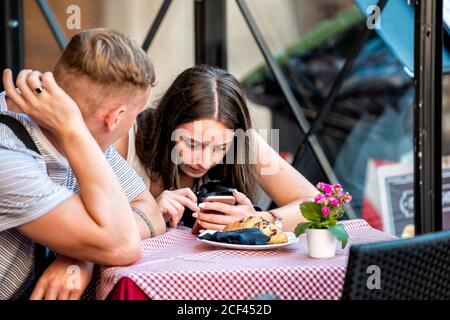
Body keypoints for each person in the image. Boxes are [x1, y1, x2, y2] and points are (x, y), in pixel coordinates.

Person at [0, 28, 167, 300]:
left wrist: (80, 255)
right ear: (116, 117)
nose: (133, 125)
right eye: (135, 116)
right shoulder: (8, 156)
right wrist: (73, 129)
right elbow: (124, 244)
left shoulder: (84, 141)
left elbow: (147, 207)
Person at [114, 65, 319, 233]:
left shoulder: (241, 141)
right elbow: (91, 224)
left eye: (220, 148)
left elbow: (320, 205)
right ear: (169, 125)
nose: (204, 161)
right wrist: (146, 215)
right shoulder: (126, 138)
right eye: (192, 143)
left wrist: (259, 219)